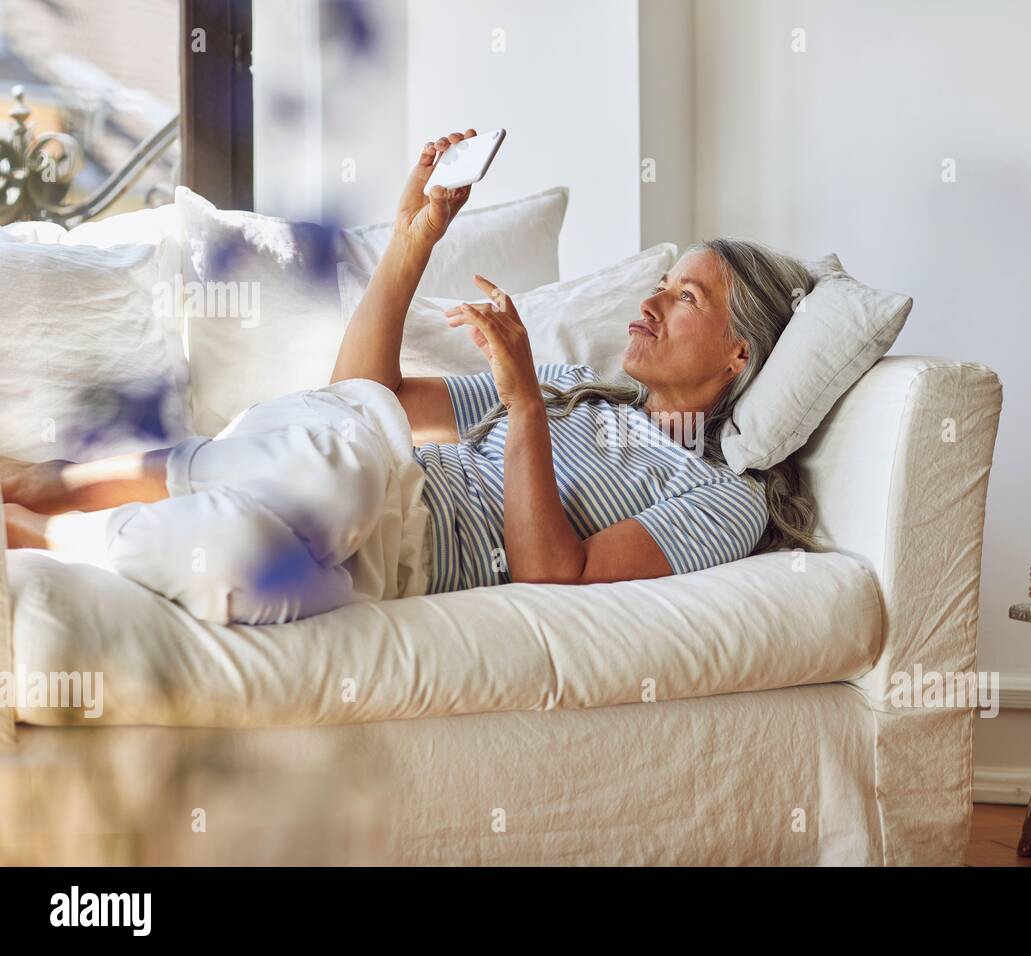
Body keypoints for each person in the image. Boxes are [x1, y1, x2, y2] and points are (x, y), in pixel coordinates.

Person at [1, 130, 816, 624]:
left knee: (254, 571)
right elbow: (365, 399)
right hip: (375, 476)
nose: (653, 299)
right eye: (665, 283)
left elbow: (552, 574)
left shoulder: (724, 492)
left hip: (401, 561)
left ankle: (47, 538)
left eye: (686, 297)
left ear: (737, 355)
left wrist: (523, 402)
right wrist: (410, 245)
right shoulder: (584, 386)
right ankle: (56, 482)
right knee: (339, 470)